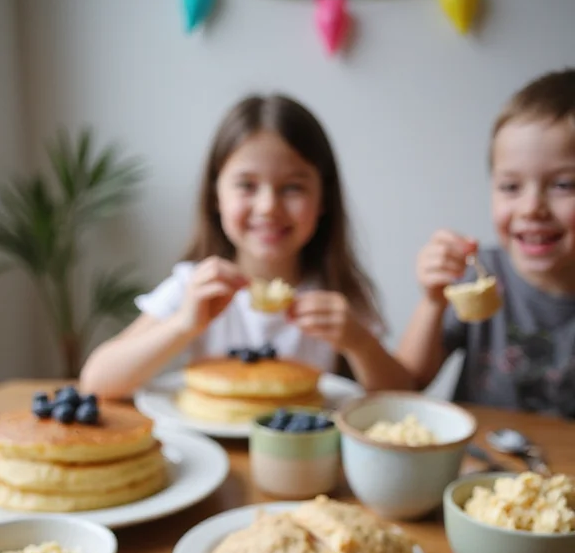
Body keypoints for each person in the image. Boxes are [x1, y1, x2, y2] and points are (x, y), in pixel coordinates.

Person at [80, 94, 409, 398]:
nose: (268, 206)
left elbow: (400, 397)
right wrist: (183, 324)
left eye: (292, 187)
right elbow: (96, 381)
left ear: (324, 198)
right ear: (216, 196)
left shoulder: (338, 296)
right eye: (247, 185)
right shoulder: (195, 288)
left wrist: (360, 344)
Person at [393, 68, 575, 417]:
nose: (531, 207)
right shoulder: (480, 276)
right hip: (479, 464)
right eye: (510, 187)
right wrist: (433, 301)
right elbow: (408, 383)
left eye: (563, 185)